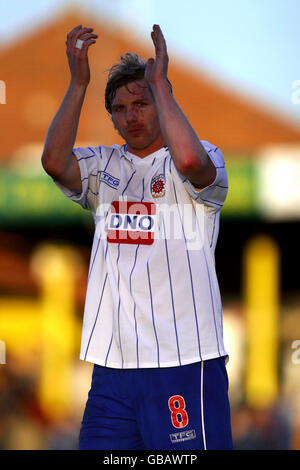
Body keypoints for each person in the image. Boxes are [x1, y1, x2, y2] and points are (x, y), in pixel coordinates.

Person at [41, 23, 233, 451]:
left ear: (160, 105)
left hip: (182, 362)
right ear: (110, 117)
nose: (132, 115)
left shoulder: (203, 157)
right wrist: (78, 83)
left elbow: (188, 158)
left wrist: (161, 84)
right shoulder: (101, 165)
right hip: (113, 368)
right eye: (120, 108)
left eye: (142, 103)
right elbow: (54, 162)